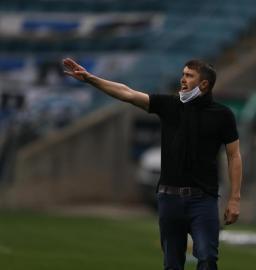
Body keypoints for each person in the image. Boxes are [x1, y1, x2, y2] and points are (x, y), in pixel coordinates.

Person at [63, 58, 243, 270]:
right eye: (183, 74)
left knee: (208, 257)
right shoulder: (169, 105)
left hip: (203, 200)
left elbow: (234, 156)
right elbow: (128, 93)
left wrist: (235, 199)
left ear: (204, 84)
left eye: (189, 75)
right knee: (172, 264)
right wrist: (91, 79)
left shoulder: (222, 115)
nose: (182, 79)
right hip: (169, 199)